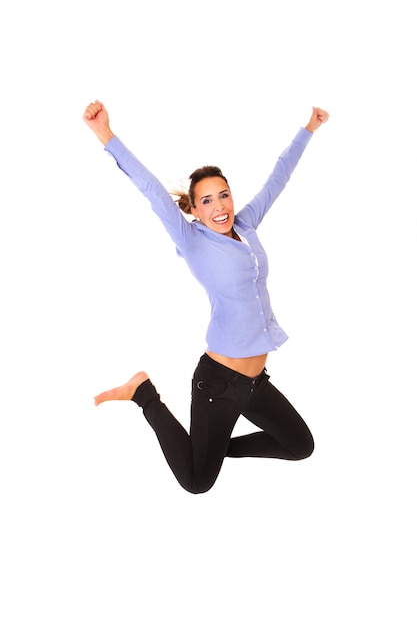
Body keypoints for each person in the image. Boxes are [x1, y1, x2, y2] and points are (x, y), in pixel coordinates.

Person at [83, 100, 329, 494]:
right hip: (218, 384)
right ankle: (144, 394)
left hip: (254, 385)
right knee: (198, 482)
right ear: (195, 210)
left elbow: (277, 178)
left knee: (300, 445)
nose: (220, 206)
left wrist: (309, 129)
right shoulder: (193, 241)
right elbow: (151, 189)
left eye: (224, 195)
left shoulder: (245, 226)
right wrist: (105, 135)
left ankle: (214, 448)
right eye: (208, 200)